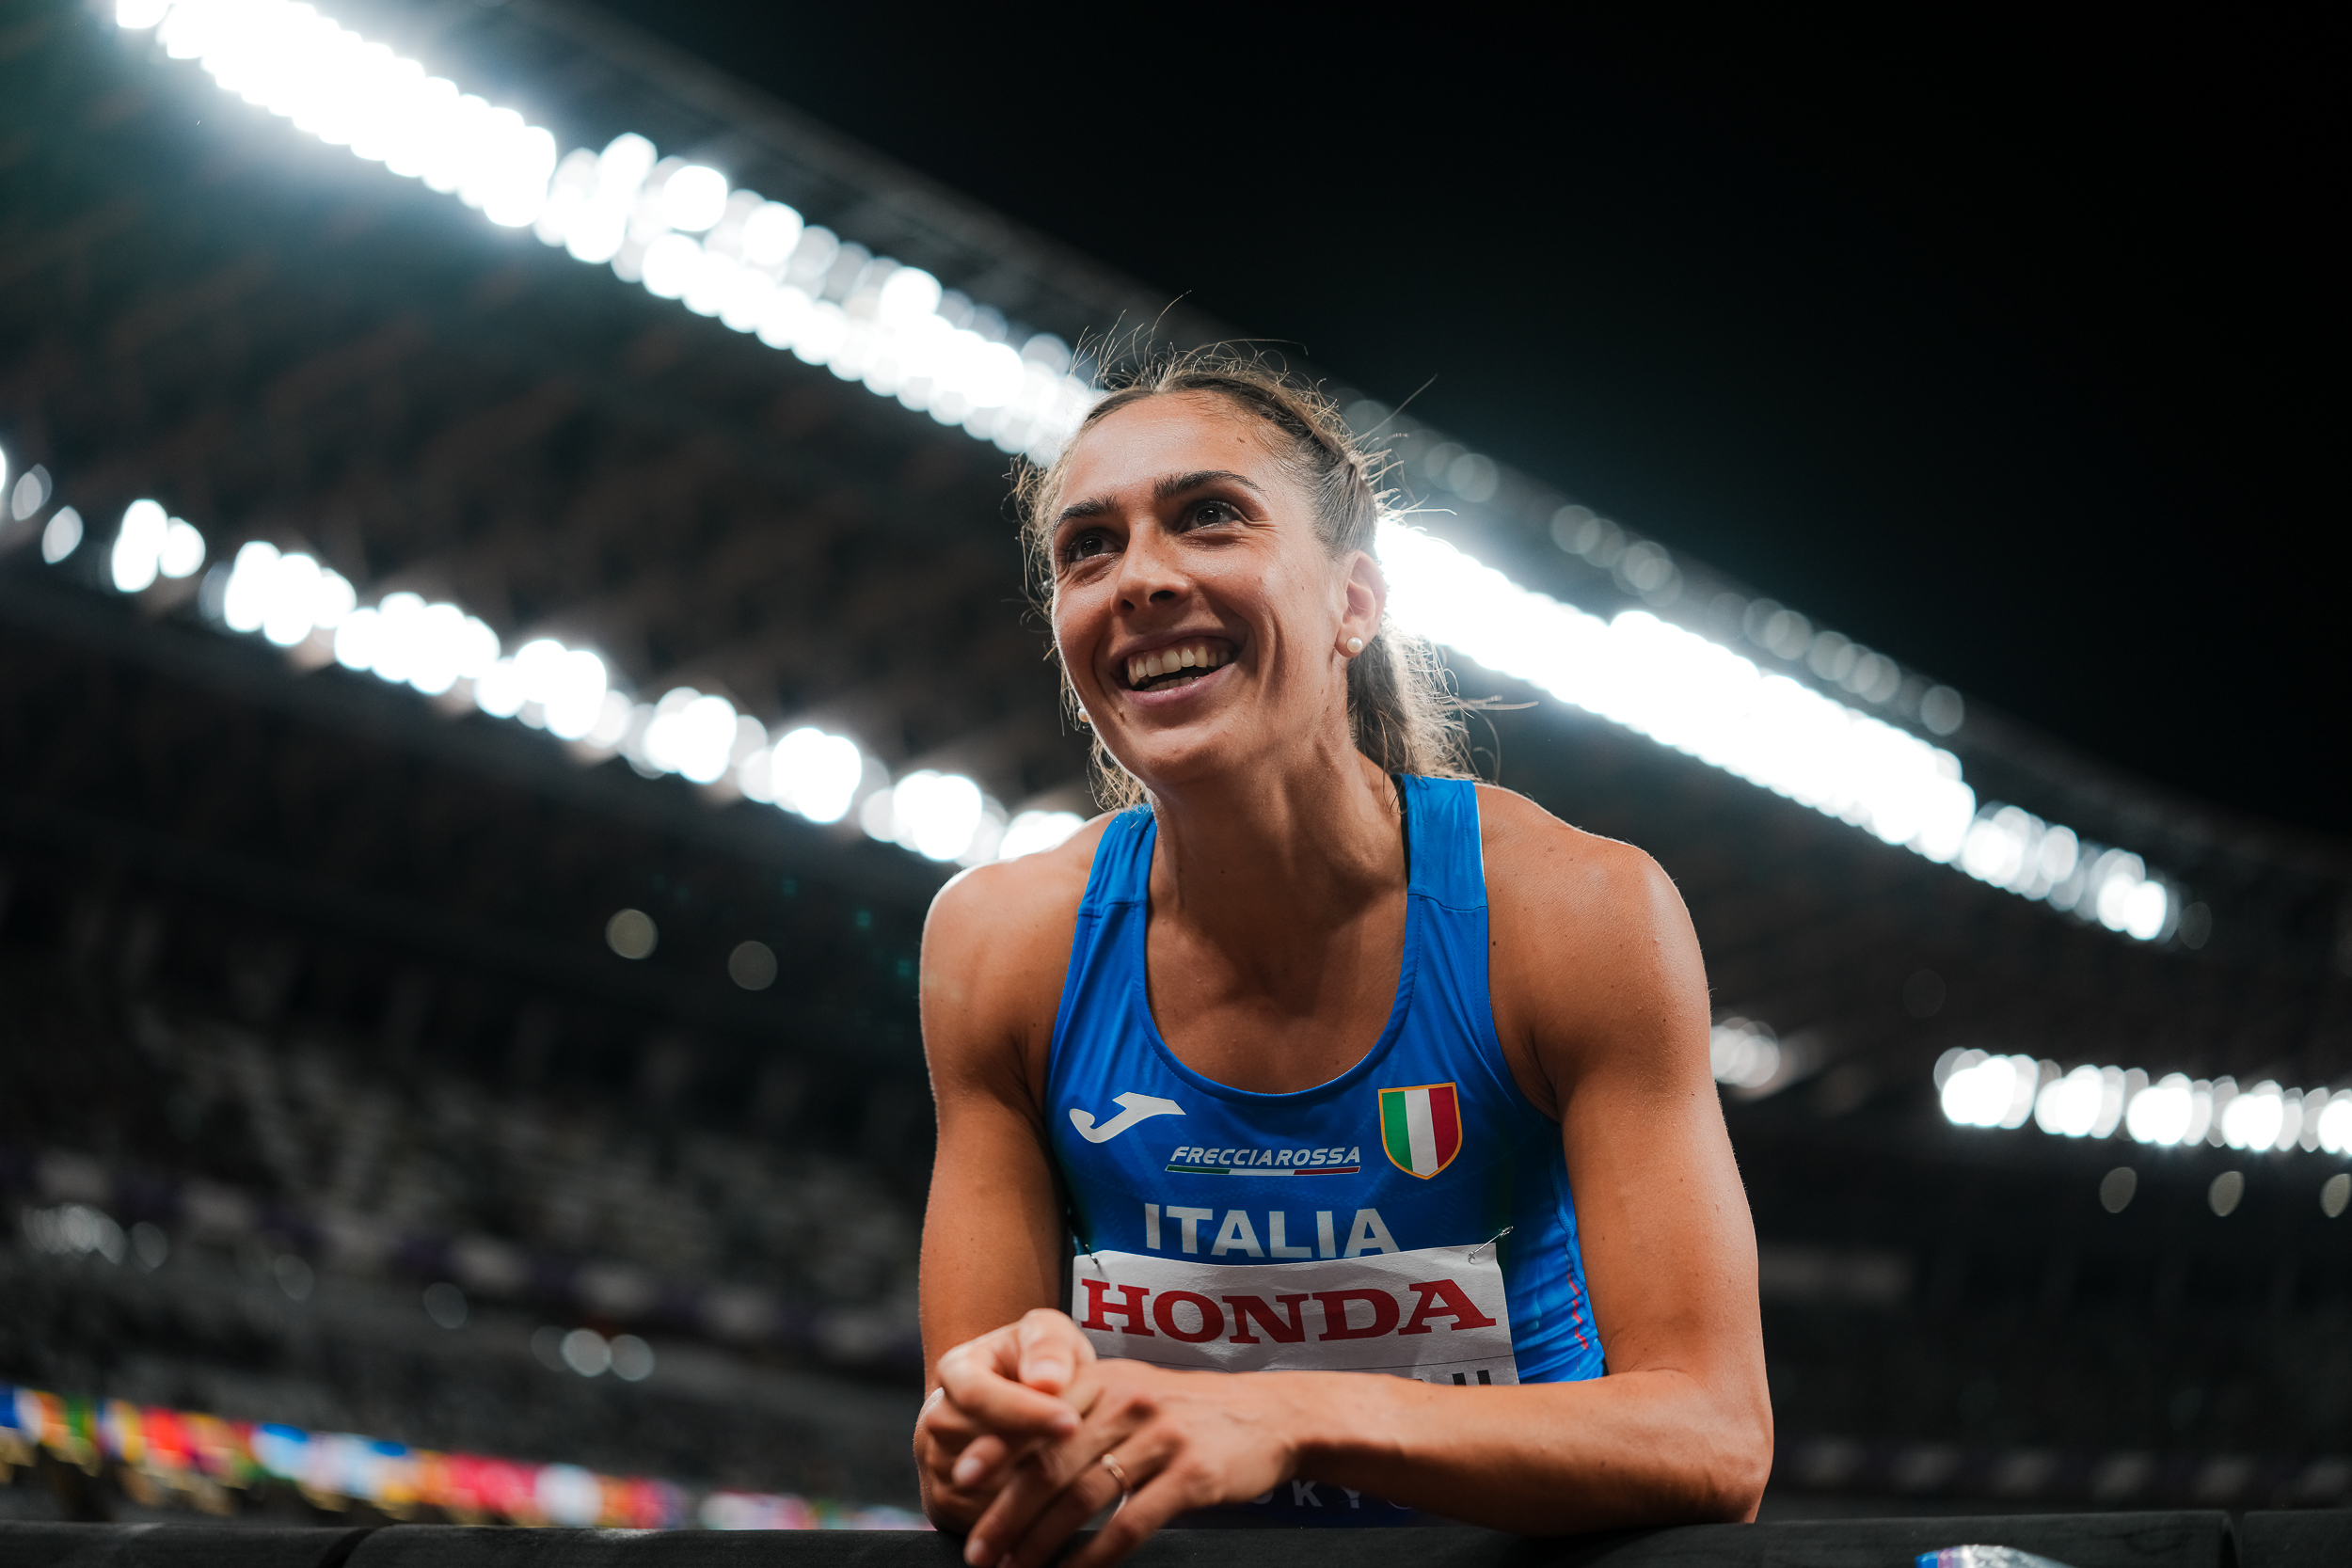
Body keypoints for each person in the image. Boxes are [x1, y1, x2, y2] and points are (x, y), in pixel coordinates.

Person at [914, 354, 1771, 1567]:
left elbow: (1713, 1435)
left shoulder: (1573, 914)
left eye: (1210, 516)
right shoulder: (1001, 944)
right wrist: (994, 1428)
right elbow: (975, 1480)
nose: (1140, 577)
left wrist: (1286, 1415)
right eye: (1088, 549)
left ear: (1353, 601)